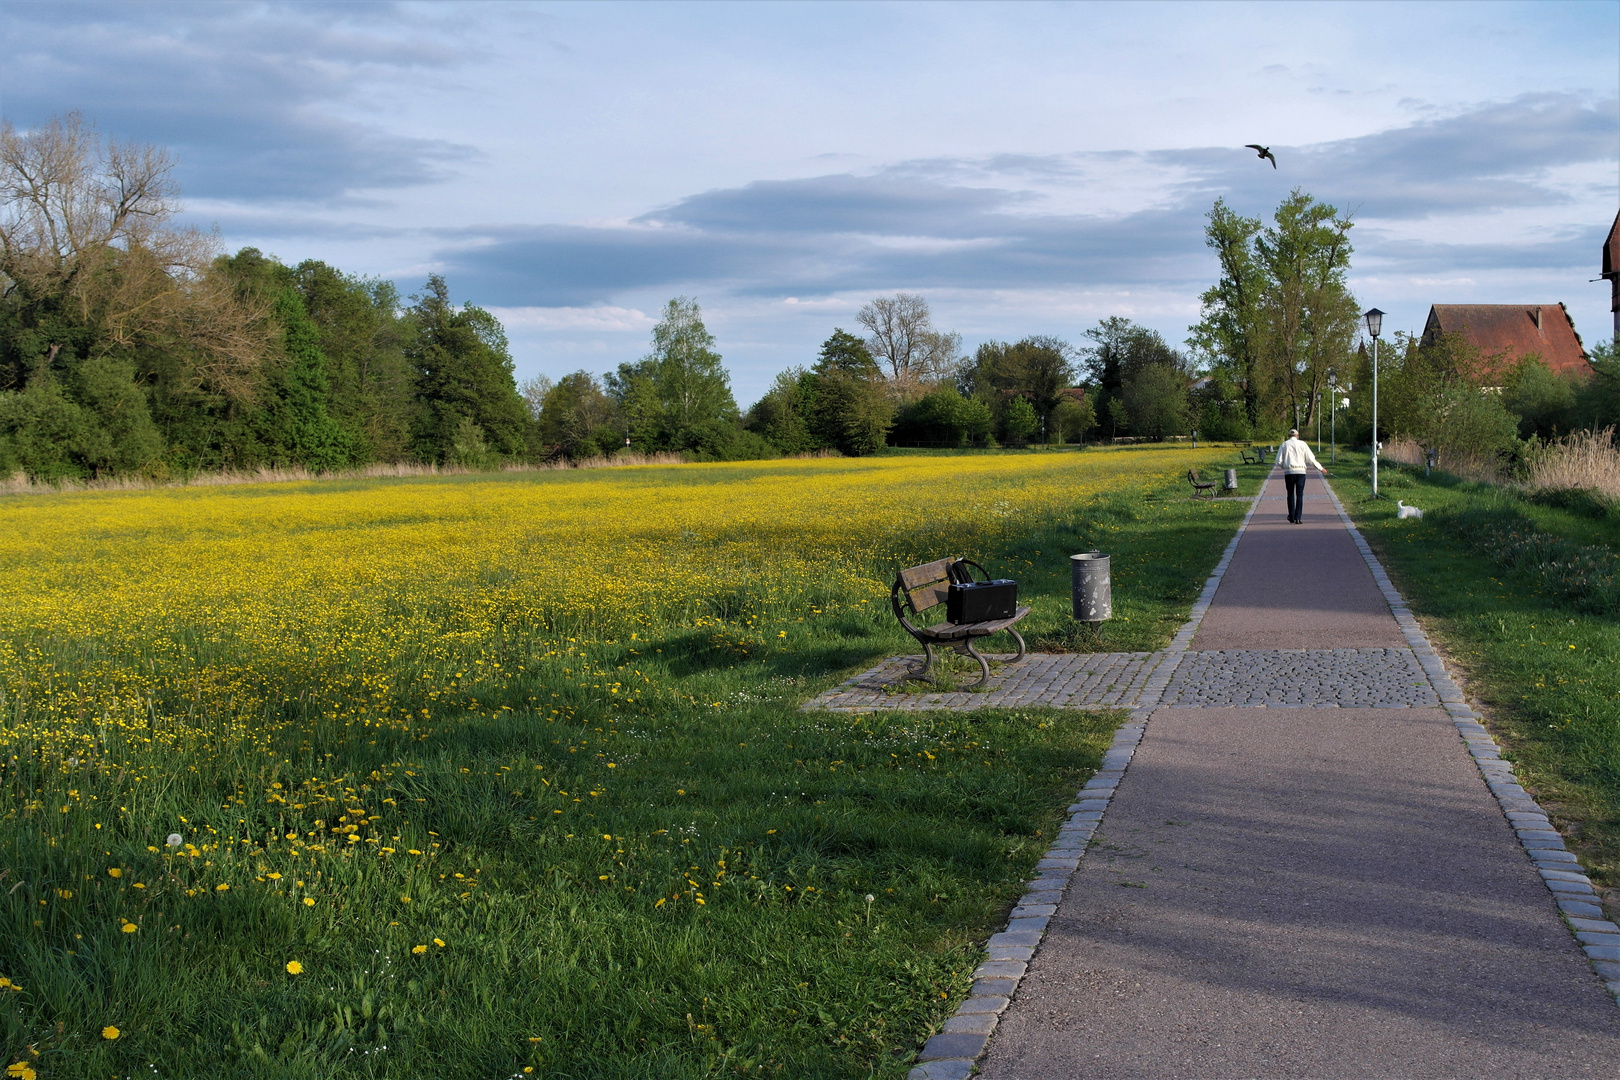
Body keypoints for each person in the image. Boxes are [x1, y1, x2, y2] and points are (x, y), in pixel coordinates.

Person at [1277, 428, 1329, 524]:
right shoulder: (1303, 444)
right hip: (1301, 472)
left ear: (1289, 436)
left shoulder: (1284, 444)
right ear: (1298, 435)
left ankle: (1291, 516)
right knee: (1299, 495)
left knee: (1290, 494)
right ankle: (1298, 517)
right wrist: (1321, 468)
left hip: (1289, 472)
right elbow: (1311, 459)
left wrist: (1286, 466)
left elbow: (1279, 461)